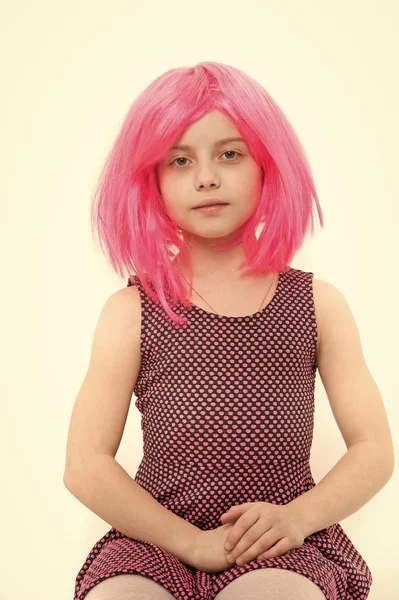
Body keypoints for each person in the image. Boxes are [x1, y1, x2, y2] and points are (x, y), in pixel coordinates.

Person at [64, 61, 394, 600]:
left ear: (268, 166)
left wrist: (297, 519)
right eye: (179, 160)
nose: (206, 177)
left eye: (229, 154)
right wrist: (190, 543)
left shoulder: (317, 305)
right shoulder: (132, 311)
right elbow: (85, 464)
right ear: (152, 180)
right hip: (157, 538)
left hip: (278, 540)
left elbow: (374, 448)